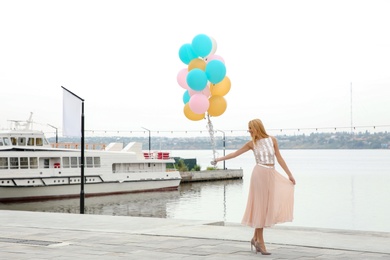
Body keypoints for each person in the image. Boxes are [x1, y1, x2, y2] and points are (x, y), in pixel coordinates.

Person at [212, 118, 296, 255]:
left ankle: (255, 238)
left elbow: (279, 158)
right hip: (259, 174)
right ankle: (260, 243)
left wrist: (289, 175)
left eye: (251, 127)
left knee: (266, 207)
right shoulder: (252, 143)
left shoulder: (272, 140)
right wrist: (218, 159)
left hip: (271, 174)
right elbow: (235, 154)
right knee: (260, 207)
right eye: (248, 128)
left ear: (257, 127)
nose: (249, 130)